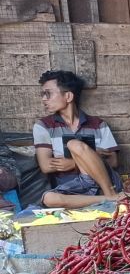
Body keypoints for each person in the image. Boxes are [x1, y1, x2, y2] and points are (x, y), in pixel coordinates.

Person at [32, 70, 124, 209]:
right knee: (49, 199)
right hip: (74, 188)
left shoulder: (98, 124)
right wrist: (88, 157)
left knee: (74, 145)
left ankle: (109, 192)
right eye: (43, 94)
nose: (44, 99)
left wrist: (76, 160)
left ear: (68, 96)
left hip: (105, 182)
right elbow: (46, 165)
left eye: (48, 93)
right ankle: (109, 199)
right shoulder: (44, 126)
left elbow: (114, 161)